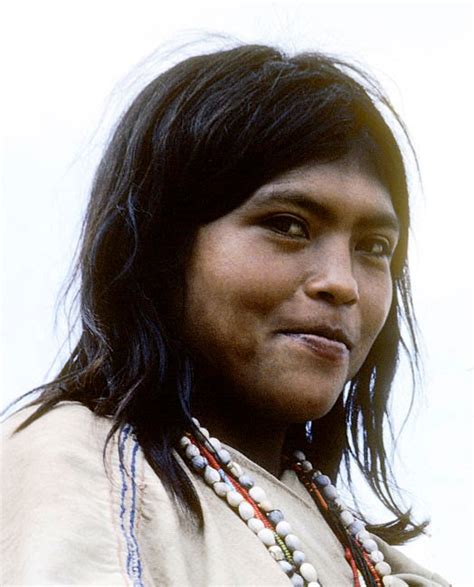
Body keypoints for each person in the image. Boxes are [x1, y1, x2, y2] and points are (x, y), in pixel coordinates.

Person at [1, 44, 449, 586]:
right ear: (160, 247)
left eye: (374, 246)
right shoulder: (80, 470)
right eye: (288, 225)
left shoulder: (374, 562)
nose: (342, 282)